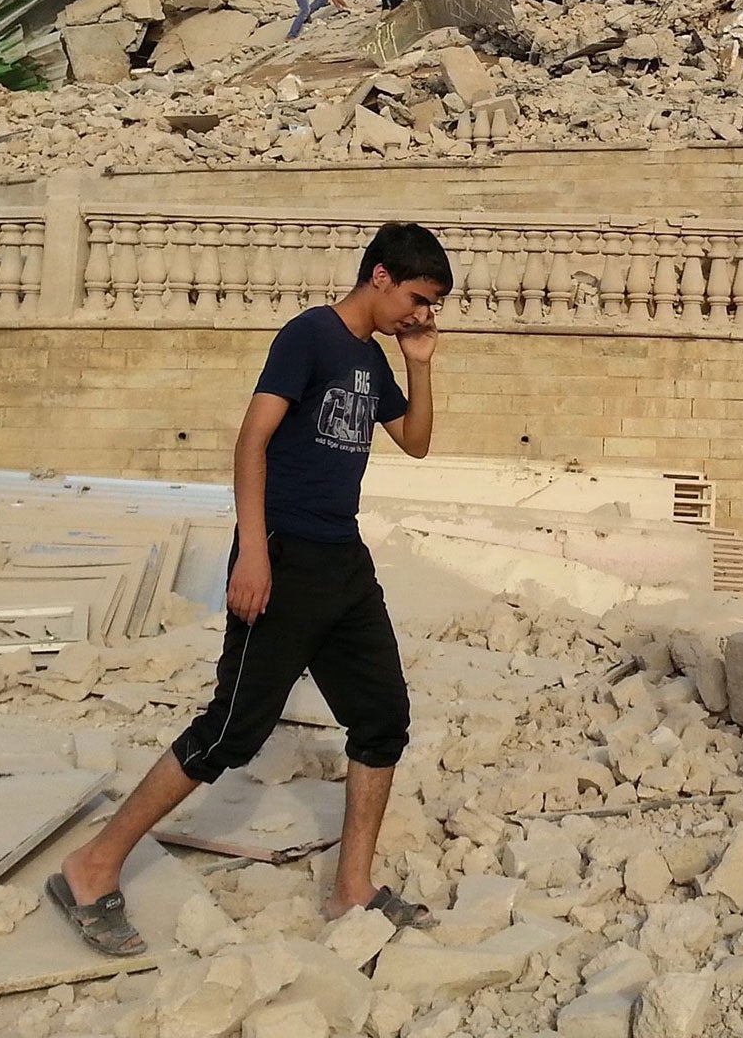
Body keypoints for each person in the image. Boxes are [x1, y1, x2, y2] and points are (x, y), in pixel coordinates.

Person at [50, 223, 455, 956]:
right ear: (381, 275)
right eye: (419, 301)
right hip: (283, 554)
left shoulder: (373, 357)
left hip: (343, 562)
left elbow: (417, 441)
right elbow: (252, 441)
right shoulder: (309, 336)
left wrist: (419, 362)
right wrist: (251, 556)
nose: (421, 316)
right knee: (231, 732)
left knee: (382, 719)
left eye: (431, 308)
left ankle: (352, 891)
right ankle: (90, 866)